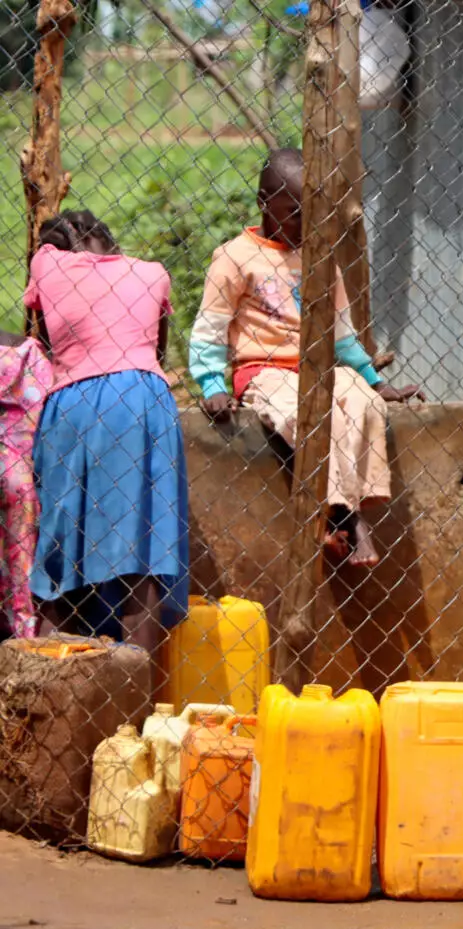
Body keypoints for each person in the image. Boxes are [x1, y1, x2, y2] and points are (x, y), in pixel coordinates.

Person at [190, 148, 422, 567]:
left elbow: (343, 333)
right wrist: (212, 384)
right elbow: (210, 328)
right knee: (305, 415)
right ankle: (348, 518)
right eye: (294, 212)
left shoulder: (319, 256)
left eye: (313, 213)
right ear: (264, 203)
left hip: (318, 367)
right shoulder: (234, 258)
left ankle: (344, 511)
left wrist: (374, 381)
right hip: (263, 369)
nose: (305, 224)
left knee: (364, 404)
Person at [24, 210, 189, 695]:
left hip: (74, 406)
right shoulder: (152, 272)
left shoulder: (47, 265)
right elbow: (155, 351)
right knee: (141, 556)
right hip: (144, 405)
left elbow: (42, 337)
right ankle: (134, 709)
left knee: (60, 555)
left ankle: (51, 697)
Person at [0, 329, 52, 639]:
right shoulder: (29, 352)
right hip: (21, 471)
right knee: (22, 561)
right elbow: (46, 404)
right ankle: (23, 632)